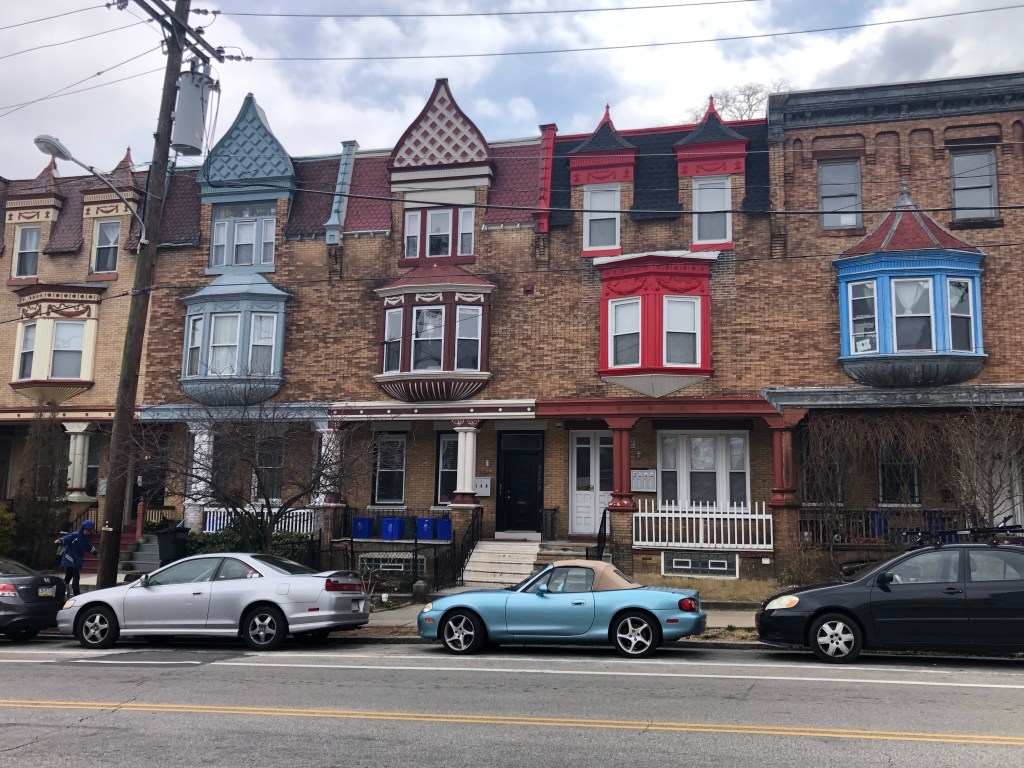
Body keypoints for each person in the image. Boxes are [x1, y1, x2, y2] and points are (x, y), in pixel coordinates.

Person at [55, 520, 100, 597]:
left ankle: (61, 592)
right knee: (76, 577)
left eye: (89, 531)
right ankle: (76, 594)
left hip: (76, 560)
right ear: (83, 528)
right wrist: (61, 540)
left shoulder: (85, 539)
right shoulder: (75, 535)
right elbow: (67, 538)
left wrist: (97, 553)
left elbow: (89, 548)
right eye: (87, 530)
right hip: (70, 559)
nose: (88, 532)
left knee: (68, 577)